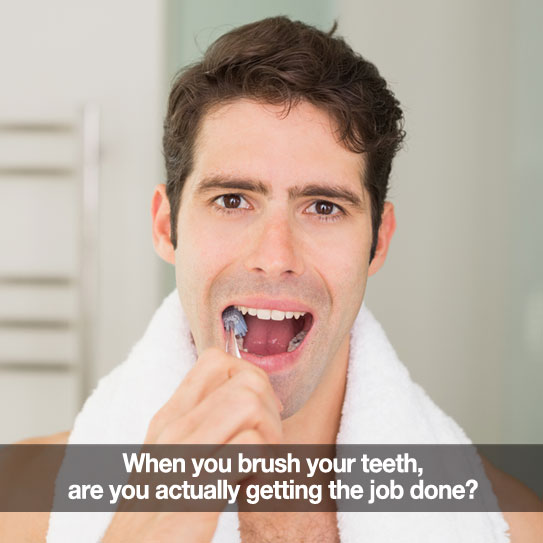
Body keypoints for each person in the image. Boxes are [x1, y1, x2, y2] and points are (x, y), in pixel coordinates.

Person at [3, 16, 540, 543]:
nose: (275, 256)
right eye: (232, 200)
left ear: (378, 241)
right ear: (166, 228)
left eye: (324, 207)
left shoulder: (513, 529)